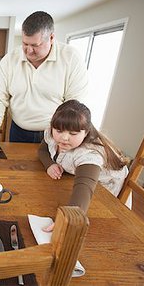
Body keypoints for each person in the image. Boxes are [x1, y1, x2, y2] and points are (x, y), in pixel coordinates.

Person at [0, 11, 89, 145]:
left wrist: (66, 136)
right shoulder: (10, 59)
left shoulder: (71, 58)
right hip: (18, 131)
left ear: (51, 38)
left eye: (35, 45)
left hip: (56, 134)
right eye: (25, 44)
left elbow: (75, 104)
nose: (28, 50)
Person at [38, 99, 129, 231]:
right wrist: (50, 164)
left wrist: (68, 220)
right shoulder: (54, 132)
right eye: (58, 131)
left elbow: (84, 188)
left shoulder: (89, 155)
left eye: (73, 134)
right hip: (78, 180)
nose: (64, 138)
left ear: (86, 132)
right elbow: (42, 150)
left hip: (104, 192)